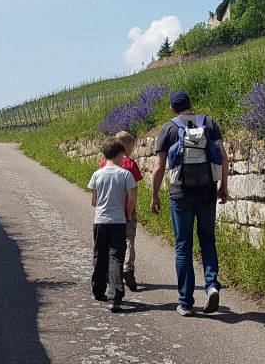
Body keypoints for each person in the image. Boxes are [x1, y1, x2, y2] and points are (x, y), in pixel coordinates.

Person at [151, 89, 229, 316]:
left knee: (183, 246)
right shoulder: (209, 123)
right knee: (208, 239)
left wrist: (155, 195)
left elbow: (158, 167)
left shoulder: (168, 128)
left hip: (180, 193)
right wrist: (223, 186)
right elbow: (223, 157)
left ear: (172, 109)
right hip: (207, 190)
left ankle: (185, 302)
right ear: (191, 104)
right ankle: (212, 285)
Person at [88, 137, 138, 312]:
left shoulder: (97, 174)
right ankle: (115, 298)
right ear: (119, 155)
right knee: (116, 257)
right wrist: (127, 214)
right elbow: (131, 199)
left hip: (100, 220)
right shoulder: (126, 174)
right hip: (118, 221)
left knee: (100, 255)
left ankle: (98, 289)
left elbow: (93, 201)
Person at [99, 130, 143, 291]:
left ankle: (110, 271)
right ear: (126, 148)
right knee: (129, 239)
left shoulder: (104, 163)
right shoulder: (130, 164)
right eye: (130, 150)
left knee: (111, 243)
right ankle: (127, 268)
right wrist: (130, 212)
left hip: (109, 209)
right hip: (127, 209)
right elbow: (134, 191)